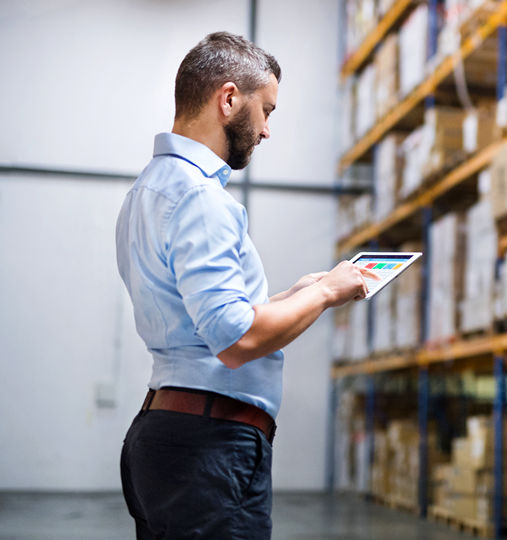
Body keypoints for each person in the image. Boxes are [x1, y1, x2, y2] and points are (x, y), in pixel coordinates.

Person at [115, 32, 376, 538]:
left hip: (167, 436)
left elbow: (202, 320)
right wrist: (326, 293)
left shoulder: (148, 189)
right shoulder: (202, 200)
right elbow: (235, 340)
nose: (266, 130)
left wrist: (296, 296)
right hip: (209, 449)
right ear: (229, 99)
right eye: (267, 111)